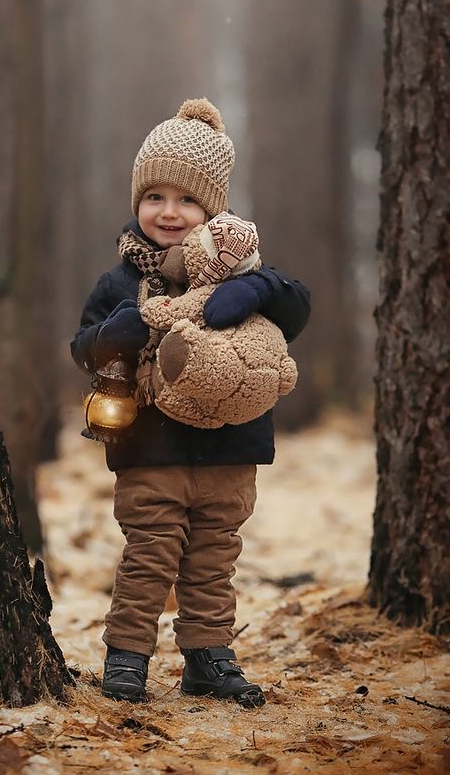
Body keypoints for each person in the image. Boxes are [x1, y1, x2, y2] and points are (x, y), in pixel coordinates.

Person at [71, 98, 310, 707]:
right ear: (137, 203)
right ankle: (127, 656)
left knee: (212, 564)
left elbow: (295, 304)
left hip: (232, 452)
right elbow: (83, 349)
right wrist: (111, 338)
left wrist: (257, 286)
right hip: (150, 451)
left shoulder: (238, 269)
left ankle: (209, 657)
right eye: (155, 197)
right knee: (148, 558)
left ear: (214, 207)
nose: (169, 212)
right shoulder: (119, 282)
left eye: (186, 200)